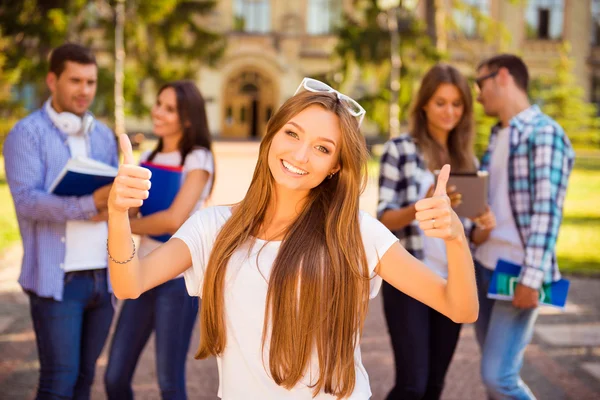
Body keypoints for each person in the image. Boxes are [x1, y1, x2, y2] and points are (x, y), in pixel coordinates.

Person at [105, 78, 479, 399]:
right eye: (292, 133)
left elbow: (460, 309)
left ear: (335, 167)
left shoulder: (356, 232)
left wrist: (456, 238)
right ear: (272, 134)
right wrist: (118, 213)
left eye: (322, 148)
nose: (300, 154)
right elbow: (129, 283)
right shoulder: (212, 227)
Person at [3, 43, 117, 398]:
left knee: (84, 381)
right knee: (58, 383)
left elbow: (111, 200)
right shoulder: (26, 133)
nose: (85, 90)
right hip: (58, 282)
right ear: (52, 80)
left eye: (91, 82)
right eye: (75, 80)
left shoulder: (103, 136)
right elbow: (26, 201)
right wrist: (89, 203)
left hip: (104, 279)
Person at [377, 64, 496, 400]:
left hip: (453, 283)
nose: (449, 111)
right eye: (441, 102)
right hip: (410, 280)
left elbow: (471, 237)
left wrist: (486, 224)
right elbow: (383, 219)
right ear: (425, 104)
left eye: (457, 104)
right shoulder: (399, 150)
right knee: (411, 386)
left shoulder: (468, 161)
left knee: (434, 387)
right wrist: (423, 204)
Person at [104, 81, 214, 400]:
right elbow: (131, 207)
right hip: (142, 271)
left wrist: (122, 221)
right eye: (158, 104)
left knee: (169, 382)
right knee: (114, 377)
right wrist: (119, 199)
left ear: (188, 119)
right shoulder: (148, 154)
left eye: (169, 108)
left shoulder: (198, 158)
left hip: (179, 280)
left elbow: (174, 220)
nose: (158, 112)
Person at [473, 54, 574, 399]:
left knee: (498, 377)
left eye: (479, 84)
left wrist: (532, 279)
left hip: (517, 272)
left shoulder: (544, 133)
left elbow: (547, 212)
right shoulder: (497, 135)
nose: (477, 94)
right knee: (493, 376)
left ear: (502, 76)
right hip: (485, 267)